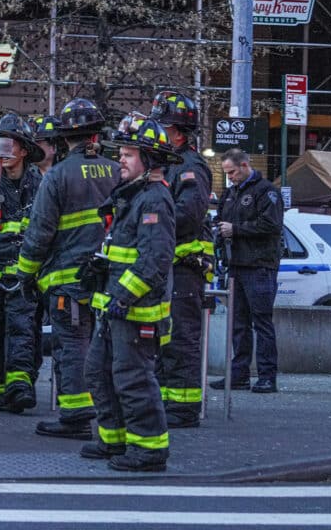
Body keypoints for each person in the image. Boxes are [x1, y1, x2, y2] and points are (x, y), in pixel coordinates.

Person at [17, 98, 119, 441]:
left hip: (68, 278)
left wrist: (25, 274)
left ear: (63, 138)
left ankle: (74, 415)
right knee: (102, 346)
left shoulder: (59, 175)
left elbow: (40, 232)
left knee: (71, 347)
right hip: (109, 278)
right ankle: (106, 413)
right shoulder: (118, 170)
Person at [81, 116, 178, 472]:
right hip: (114, 306)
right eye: (120, 153)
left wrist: (123, 297)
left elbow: (155, 260)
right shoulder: (133, 197)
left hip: (136, 311)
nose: (120, 159)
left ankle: (149, 449)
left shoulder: (154, 200)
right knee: (99, 371)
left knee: (133, 379)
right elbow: (127, 253)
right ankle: (114, 439)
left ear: (149, 160)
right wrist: (100, 267)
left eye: (128, 154)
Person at [148, 91, 214, 427]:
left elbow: (188, 214)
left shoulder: (190, 167)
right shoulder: (170, 165)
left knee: (181, 338)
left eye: (163, 126)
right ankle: (166, 400)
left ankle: (184, 407)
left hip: (184, 269)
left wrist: (155, 222)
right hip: (167, 266)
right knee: (165, 336)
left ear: (176, 131)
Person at [0, 114, 44, 413]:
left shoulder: (39, 183)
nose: (3, 150)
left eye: (11, 143)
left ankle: (20, 386)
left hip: (24, 274)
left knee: (22, 329)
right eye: (0, 142)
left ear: (24, 150)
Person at [212, 148, 284, 394]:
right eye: (226, 173)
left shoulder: (266, 191)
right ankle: (239, 374)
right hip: (237, 265)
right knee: (238, 324)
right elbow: (221, 220)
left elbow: (271, 226)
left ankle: (267, 376)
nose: (229, 177)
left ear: (244, 165)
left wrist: (236, 229)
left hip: (259, 266)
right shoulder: (231, 193)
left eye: (231, 172)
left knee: (261, 322)